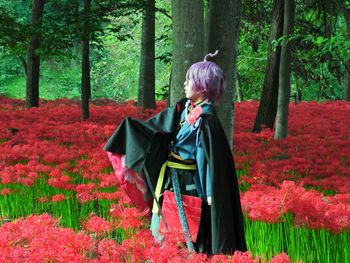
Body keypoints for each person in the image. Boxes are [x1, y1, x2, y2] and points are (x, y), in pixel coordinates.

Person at [103, 51, 246, 255]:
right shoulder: (184, 109)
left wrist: (210, 194)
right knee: (161, 232)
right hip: (169, 182)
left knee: (184, 239)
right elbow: (157, 129)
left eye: (190, 80)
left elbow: (207, 161)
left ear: (203, 86)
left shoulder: (207, 121)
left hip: (188, 187)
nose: (185, 84)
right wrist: (131, 129)